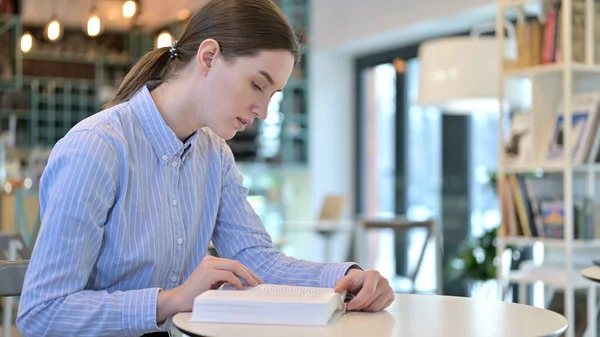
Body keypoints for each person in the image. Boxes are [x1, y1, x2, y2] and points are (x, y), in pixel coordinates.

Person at [16, 0, 394, 336]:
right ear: (209, 56)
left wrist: (347, 279)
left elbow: (255, 259)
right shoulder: (98, 148)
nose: (262, 112)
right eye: (256, 86)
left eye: (272, 95)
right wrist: (171, 300)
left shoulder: (214, 154)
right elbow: (42, 313)